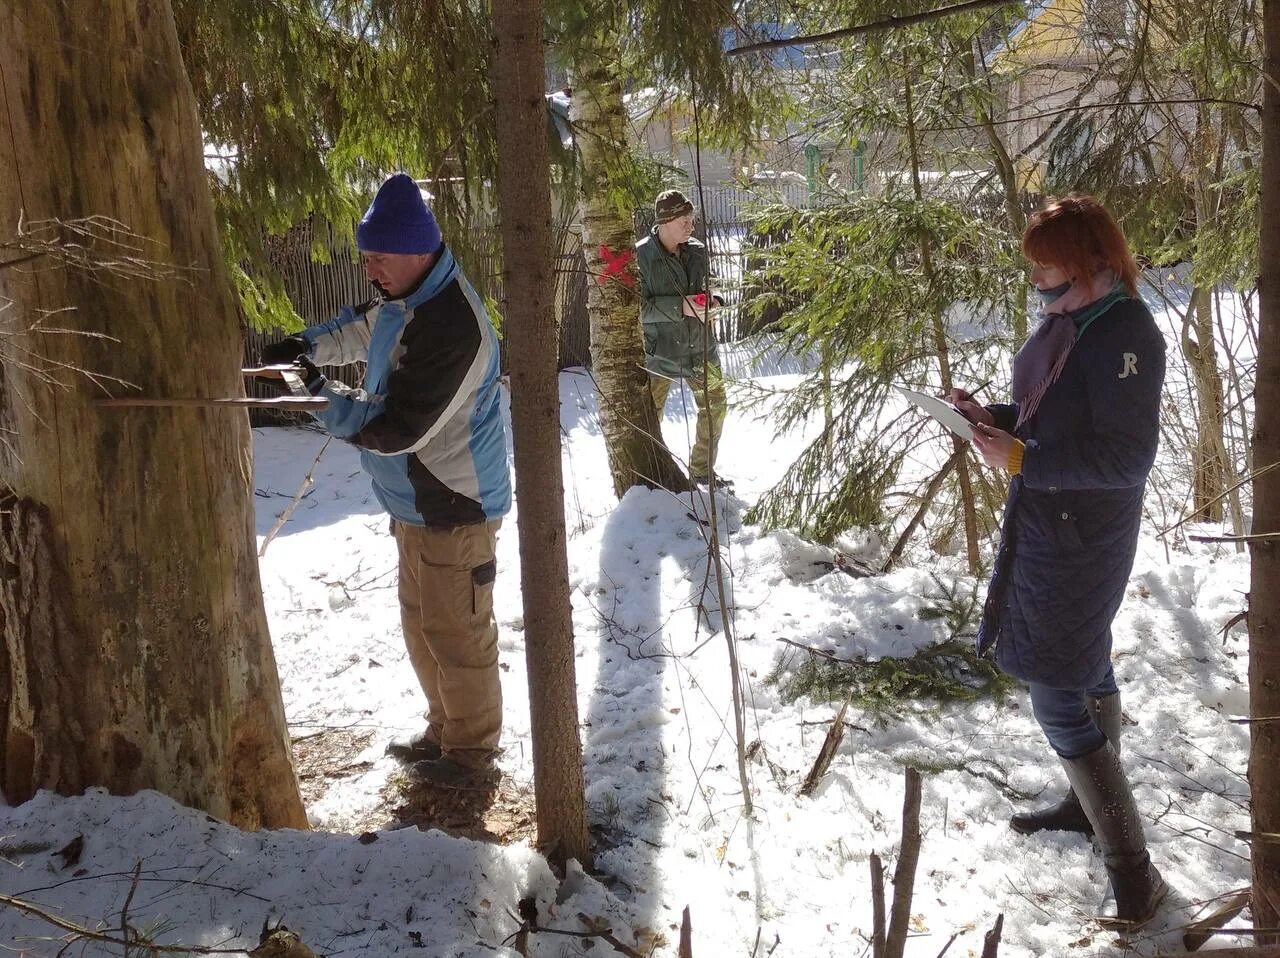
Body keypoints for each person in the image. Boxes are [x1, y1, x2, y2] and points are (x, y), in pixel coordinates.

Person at [950, 194, 1167, 927]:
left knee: (1056, 690)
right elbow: (1050, 422)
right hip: (1048, 520)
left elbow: (1127, 458)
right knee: (1086, 660)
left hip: (1088, 533)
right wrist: (994, 423)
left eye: (1050, 268)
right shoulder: (1069, 323)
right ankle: (1085, 809)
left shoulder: (1126, 333)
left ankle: (1135, 874)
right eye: (1035, 268)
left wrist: (1021, 459)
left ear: (1093, 262)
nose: (1038, 281)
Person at [261, 173, 512, 790]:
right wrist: (305, 347)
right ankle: (445, 731)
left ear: (415, 249)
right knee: (422, 625)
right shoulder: (410, 296)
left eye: (377, 257)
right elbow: (361, 327)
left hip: (455, 506)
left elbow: (397, 427)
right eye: (365, 257)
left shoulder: (452, 325)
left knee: (457, 633)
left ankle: (473, 756)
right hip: (414, 504)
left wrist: (317, 395)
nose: (369, 269)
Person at [636, 189, 728, 486]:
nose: (691, 225)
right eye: (683, 220)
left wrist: (713, 301)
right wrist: (681, 307)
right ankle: (650, 478)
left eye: (692, 219)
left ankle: (701, 472)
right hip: (660, 351)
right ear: (664, 222)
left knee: (716, 406)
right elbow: (637, 309)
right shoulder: (641, 256)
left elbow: (708, 286)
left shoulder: (697, 250)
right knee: (650, 418)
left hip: (700, 347)